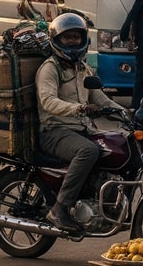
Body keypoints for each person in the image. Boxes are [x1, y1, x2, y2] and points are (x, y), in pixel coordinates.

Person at [35, 12, 111, 232]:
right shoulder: (50, 68)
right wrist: (78, 108)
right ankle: (59, 208)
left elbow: (98, 96)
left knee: (115, 146)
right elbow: (48, 101)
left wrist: (126, 112)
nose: (72, 41)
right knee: (88, 151)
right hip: (54, 130)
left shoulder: (82, 67)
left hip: (80, 128)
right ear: (57, 40)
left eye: (76, 37)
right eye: (67, 37)